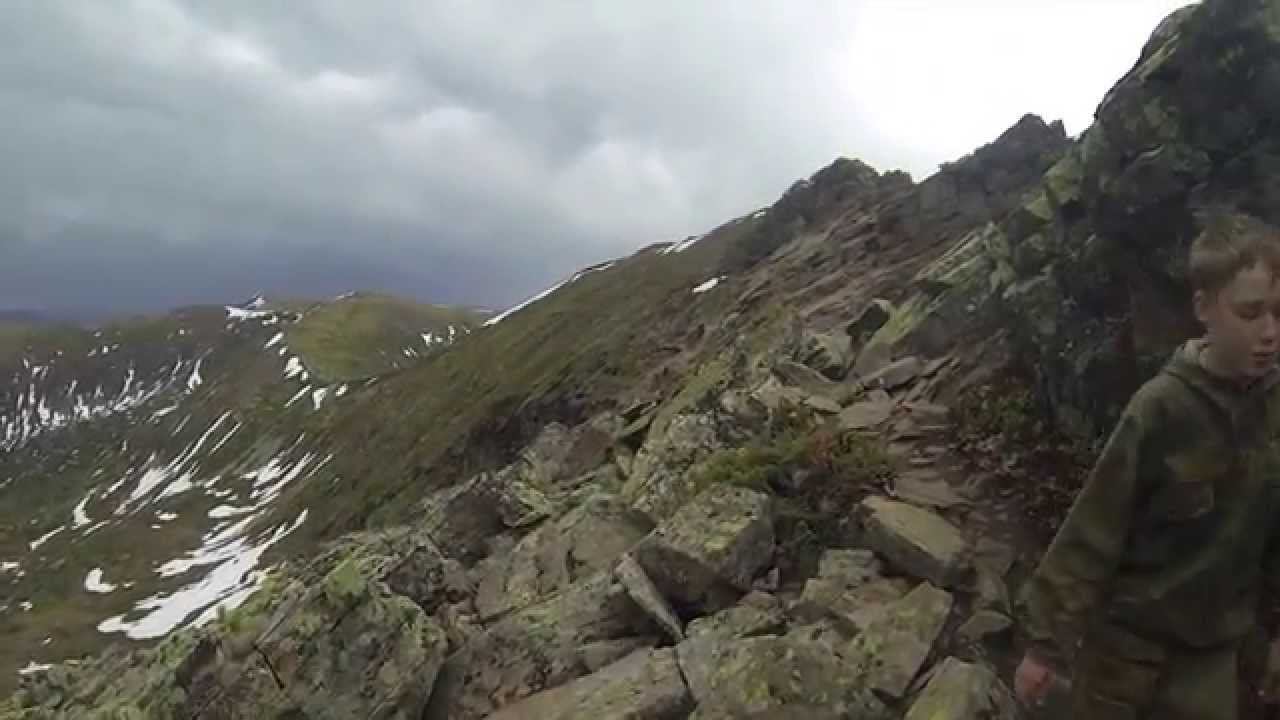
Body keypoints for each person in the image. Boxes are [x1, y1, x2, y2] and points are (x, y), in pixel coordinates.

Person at [1013, 210, 1280, 720]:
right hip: (1126, 657)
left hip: (1214, 661)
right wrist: (1044, 647)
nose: (1270, 332)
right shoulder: (1160, 409)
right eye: (1250, 313)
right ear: (1204, 308)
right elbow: (1093, 529)